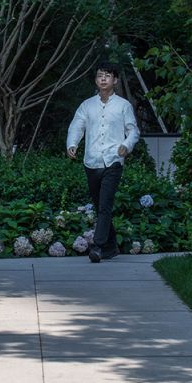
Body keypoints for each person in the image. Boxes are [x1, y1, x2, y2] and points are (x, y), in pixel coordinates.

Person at [66, 62, 140, 262]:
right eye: (100, 76)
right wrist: (72, 144)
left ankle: (97, 247)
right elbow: (77, 126)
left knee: (105, 204)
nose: (104, 79)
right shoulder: (87, 105)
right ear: (96, 80)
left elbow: (133, 130)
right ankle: (112, 247)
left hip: (113, 160)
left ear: (115, 80)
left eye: (108, 76)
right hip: (91, 161)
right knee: (100, 205)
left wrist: (126, 145)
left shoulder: (123, 105)